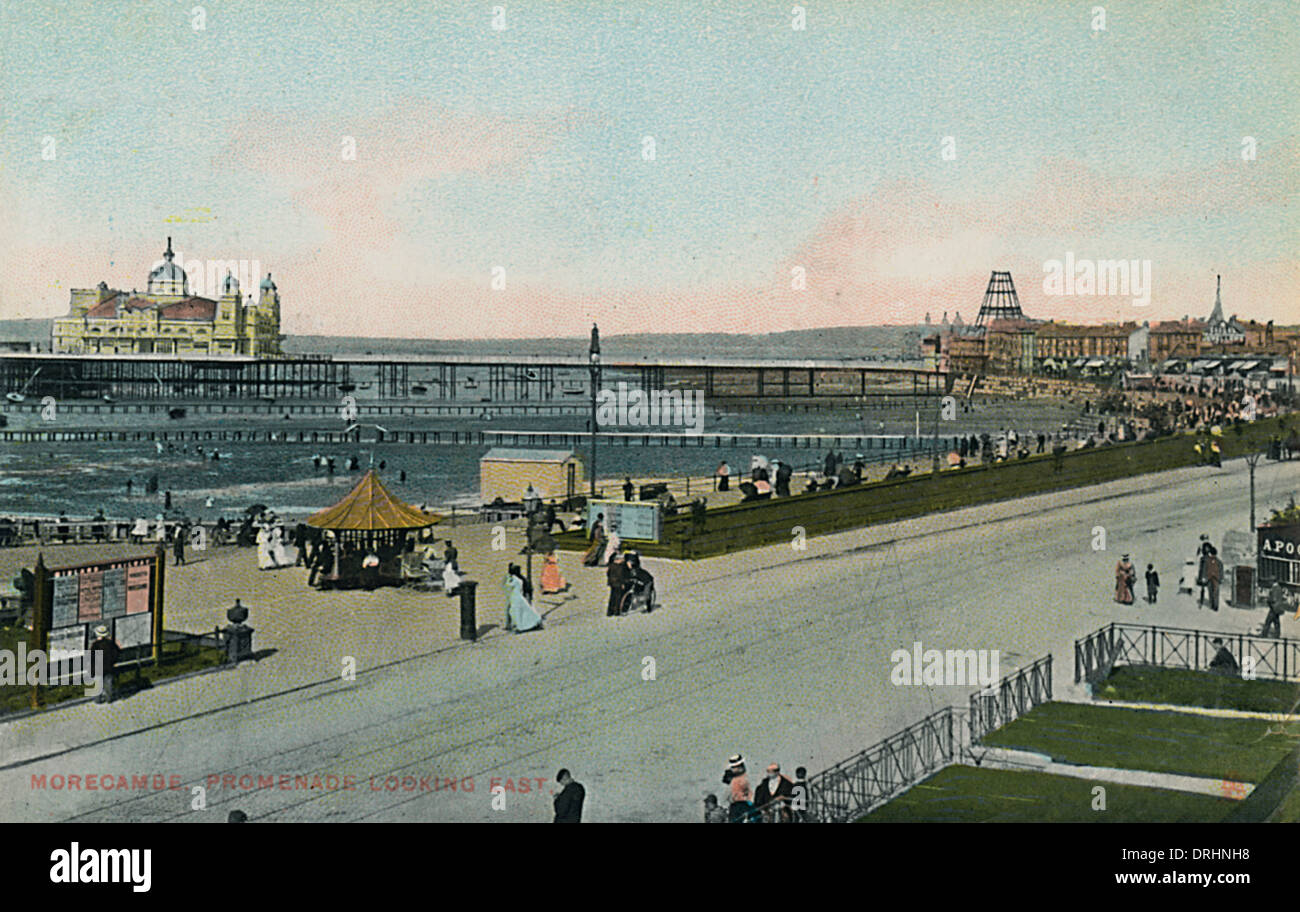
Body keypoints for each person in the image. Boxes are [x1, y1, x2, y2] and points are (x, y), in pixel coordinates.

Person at [504, 564, 543, 632]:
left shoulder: (515, 579)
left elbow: (508, 584)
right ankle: (520, 624)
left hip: (518, 597)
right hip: (521, 596)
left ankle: (514, 625)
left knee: (515, 611)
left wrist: (508, 577)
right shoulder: (521, 578)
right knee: (525, 611)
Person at [89, 625, 120, 704]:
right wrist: (113, 661)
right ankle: (109, 698)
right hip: (109, 666)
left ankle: (98, 700)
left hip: (98, 667)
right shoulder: (110, 643)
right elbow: (116, 653)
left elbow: (91, 657)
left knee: (98, 683)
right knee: (108, 682)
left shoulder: (95, 645)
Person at [722, 755, 754, 823]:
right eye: (735, 767)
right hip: (736, 807)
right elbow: (726, 797)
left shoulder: (746, 778)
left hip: (745, 806)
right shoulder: (732, 782)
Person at [606, 552, 628, 617]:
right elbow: (621, 576)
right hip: (618, 583)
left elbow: (608, 573)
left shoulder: (612, 565)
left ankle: (610, 611)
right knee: (618, 598)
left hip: (612, 583)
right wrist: (623, 584)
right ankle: (616, 611)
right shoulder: (621, 567)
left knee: (612, 597)